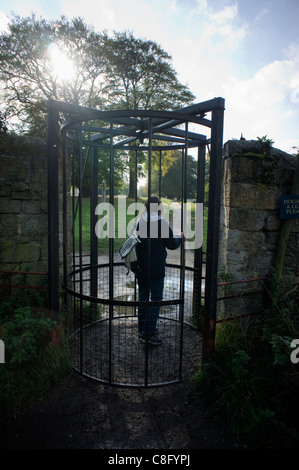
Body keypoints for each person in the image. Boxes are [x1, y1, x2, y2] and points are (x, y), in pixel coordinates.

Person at [135, 195, 183, 346]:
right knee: (156, 299)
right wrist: (179, 238)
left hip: (141, 267)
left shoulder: (140, 221)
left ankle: (143, 328)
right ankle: (147, 334)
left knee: (143, 296)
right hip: (156, 267)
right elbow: (171, 244)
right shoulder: (161, 223)